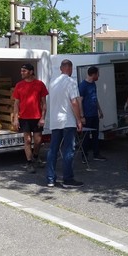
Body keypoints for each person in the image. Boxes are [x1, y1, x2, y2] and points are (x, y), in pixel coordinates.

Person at [46, 59, 84, 188]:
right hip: (68, 121)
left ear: (61, 68)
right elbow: (74, 102)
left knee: (53, 150)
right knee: (68, 150)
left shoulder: (53, 82)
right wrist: (79, 119)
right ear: (70, 69)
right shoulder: (71, 82)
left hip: (55, 121)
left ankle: (50, 178)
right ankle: (68, 179)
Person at [12, 63, 48, 174]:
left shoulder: (40, 84)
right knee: (27, 141)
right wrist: (16, 119)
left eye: (24, 71)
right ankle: (29, 163)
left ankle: (36, 157)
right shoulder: (19, 85)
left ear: (31, 72)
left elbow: (44, 103)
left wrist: (42, 118)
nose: (21, 73)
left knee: (38, 141)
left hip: (37, 117)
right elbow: (16, 104)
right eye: (21, 71)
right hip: (24, 118)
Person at [78, 66, 106, 162]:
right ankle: (84, 156)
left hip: (94, 113)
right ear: (93, 74)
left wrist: (99, 110)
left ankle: (96, 154)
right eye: (98, 74)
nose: (98, 76)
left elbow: (95, 97)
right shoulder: (83, 85)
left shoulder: (93, 84)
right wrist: (82, 116)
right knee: (86, 136)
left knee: (95, 135)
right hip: (87, 115)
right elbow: (80, 101)